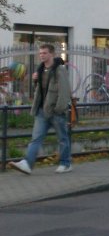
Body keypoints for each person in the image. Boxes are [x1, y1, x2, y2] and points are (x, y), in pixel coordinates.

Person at [10, 43, 72, 175]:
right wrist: (34, 81)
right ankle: (27, 163)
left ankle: (65, 163)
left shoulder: (60, 70)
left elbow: (65, 91)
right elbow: (40, 90)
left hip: (56, 111)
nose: (41, 55)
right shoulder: (40, 69)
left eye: (44, 53)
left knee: (62, 138)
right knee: (36, 138)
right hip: (42, 111)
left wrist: (59, 109)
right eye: (40, 53)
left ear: (52, 54)